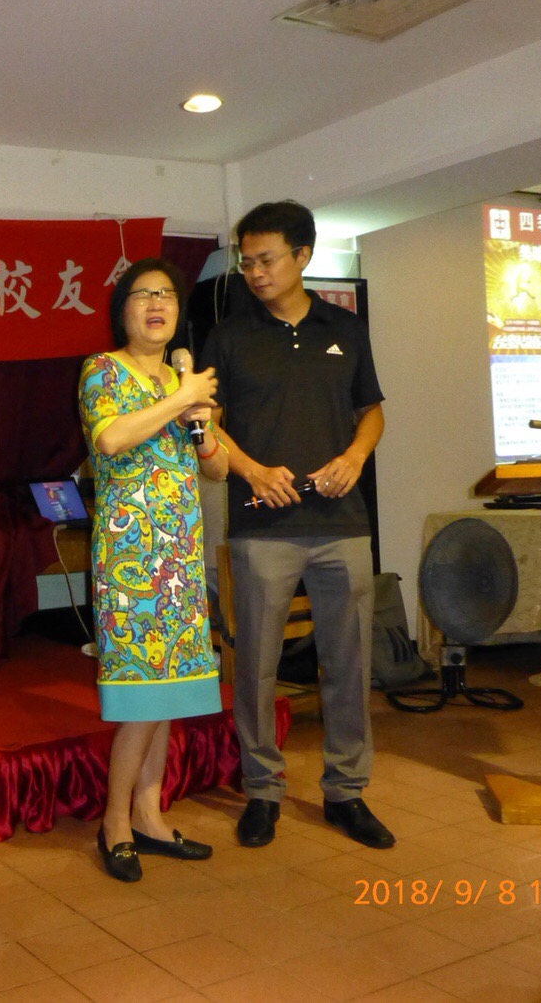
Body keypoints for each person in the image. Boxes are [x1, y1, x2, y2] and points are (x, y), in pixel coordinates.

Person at [201, 200, 395, 851]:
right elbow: (207, 423)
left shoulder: (346, 328)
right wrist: (252, 471)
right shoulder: (229, 336)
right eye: (246, 262)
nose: (254, 272)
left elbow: (371, 411)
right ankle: (262, 790)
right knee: (256, 664)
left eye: (266, 259)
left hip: (343, 523)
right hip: (262, 527)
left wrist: (356, 456)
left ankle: (347, 791)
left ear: (302, 256)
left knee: (349, 662)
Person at [78, 257, 228, 882]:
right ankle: (115, 821)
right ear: (124, 311)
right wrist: (182, 399)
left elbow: (216, 468)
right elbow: (110, 440)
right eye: (143, 295)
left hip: (180, 557)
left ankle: (149, 813)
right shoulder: (103, 370)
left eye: (166, 294)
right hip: (132, 558)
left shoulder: (181, 379)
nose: (157, 303)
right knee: (142, 693)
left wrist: (202, 422)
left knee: (168, 693)